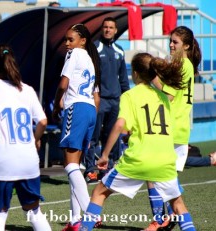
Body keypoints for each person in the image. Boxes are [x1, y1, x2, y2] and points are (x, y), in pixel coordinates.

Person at [79, 52, 197, 231]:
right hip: (164, 160)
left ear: (134, 73)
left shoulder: (129, 96)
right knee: (178, 205)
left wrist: (104, 155)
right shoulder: (164, 97)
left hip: (138, 158)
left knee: (99, 192)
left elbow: (120, 125)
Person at [0, 44, 51, 231]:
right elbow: (42, 121)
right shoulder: (26, 89)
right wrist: (34, 140)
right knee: (34, 213)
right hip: (28, 159)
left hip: (4, 160)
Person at [146, 26, 202, 231]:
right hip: (177, 128)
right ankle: (168, 219)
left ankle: (160, 220)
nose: (170, 44)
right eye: (170, 40)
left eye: (175, 42)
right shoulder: (185, 64)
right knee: (164, 179)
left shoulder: (181, 64)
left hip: (170, 128)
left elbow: (168, 96)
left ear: (186, 45)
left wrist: (152, 78)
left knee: (153, 175)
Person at [52, 23, 101, 231]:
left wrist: (56, 104)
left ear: (82, 40)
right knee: (76, 166)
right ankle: (75, 220)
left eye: (70, 39)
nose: (67, 43)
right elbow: (95, 94)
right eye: (65, 39)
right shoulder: (90, 60)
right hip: (90, 110)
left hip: (77, 108)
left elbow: (64, 84)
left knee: (70, 165)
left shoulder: (74, 55)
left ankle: (91, 213)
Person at [83, 16, 130, 184]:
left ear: (116, 30)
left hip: (115, 101)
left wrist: (127, 98)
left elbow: (123, 78)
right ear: (102, 29)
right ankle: (90, 170)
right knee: (93, 136)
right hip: (99, 99)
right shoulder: (94, 48)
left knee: (112, 136)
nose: (108, 30)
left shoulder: (120, 50)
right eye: (105, 27)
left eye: (111, 27)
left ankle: (109, 168)